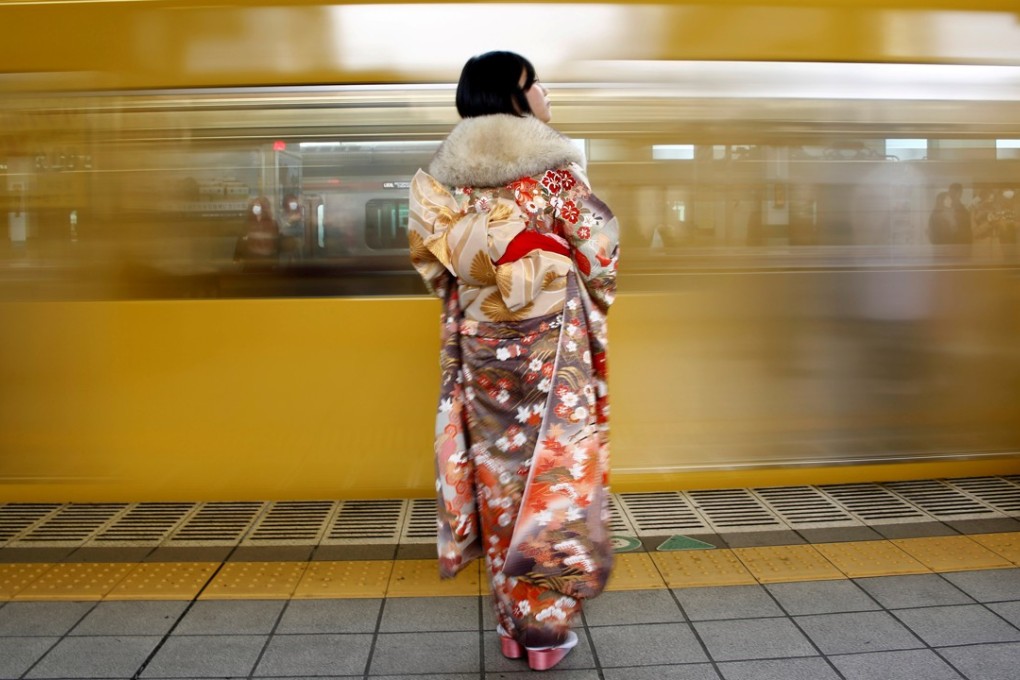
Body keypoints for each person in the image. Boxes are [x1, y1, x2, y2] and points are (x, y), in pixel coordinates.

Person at [408, 51, 618, 671]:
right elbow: (600, 252)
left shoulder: (445, 181)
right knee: (555, 477)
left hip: (482, 353)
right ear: (515, 96)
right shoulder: (553, 173)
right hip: (553, 350)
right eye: (537, 86)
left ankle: (510, 625)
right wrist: (549, 257)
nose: (546, 95)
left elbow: (441, 268)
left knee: (500, 482)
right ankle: (544, 633)